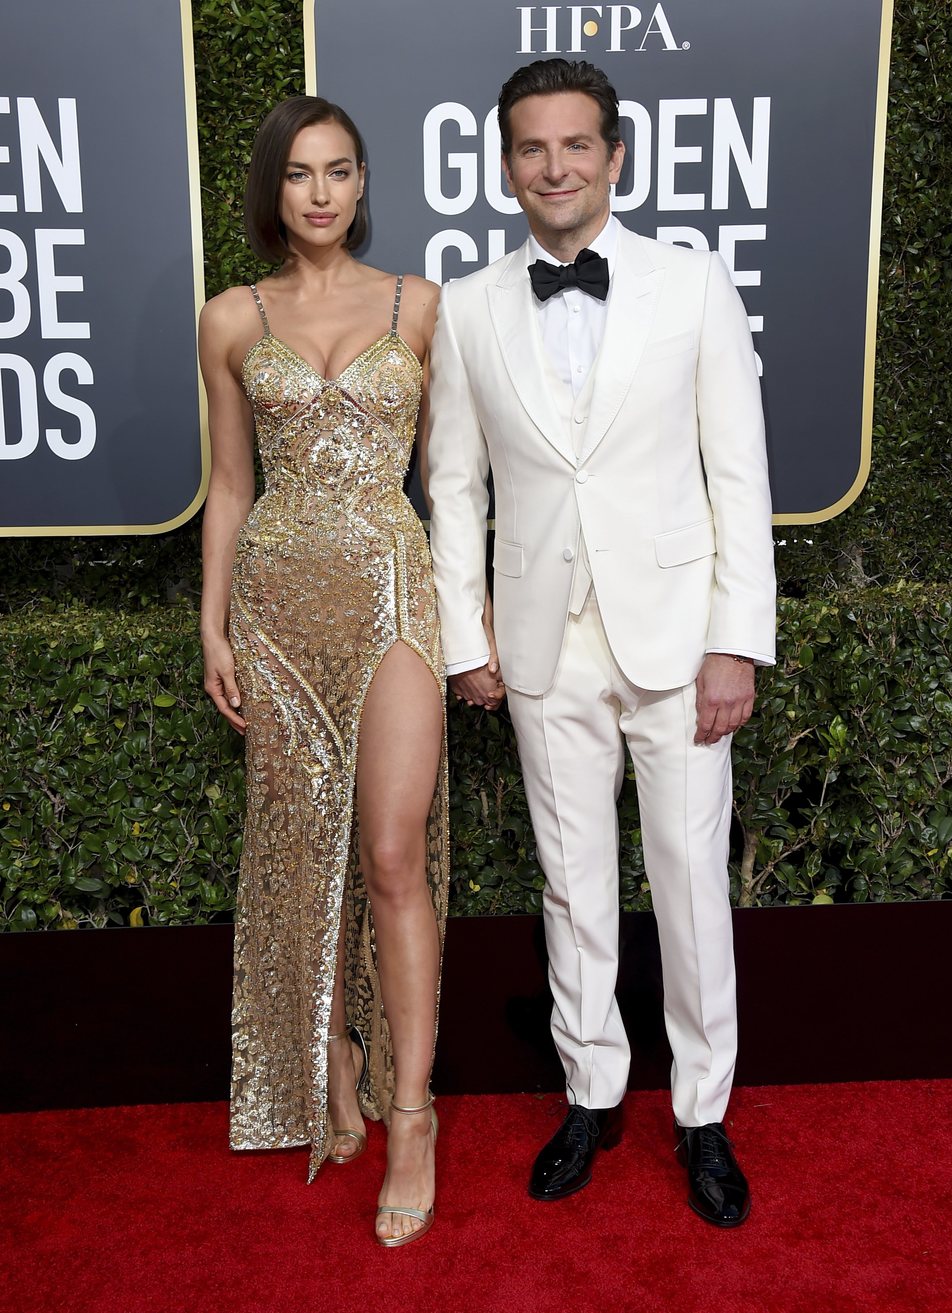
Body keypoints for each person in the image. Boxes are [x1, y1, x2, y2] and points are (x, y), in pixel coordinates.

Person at [427, 58, 776, 1228]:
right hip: (540, 642)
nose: (555, 167)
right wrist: (463, 634)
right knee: (570, 885)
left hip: (679, 643)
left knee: (689, 886)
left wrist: (738, 642)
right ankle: (590, 1090)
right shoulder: (470, 304)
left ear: (615, 157)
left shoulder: (693, 285)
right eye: (532, 148)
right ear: (507, 164)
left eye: (577, 145)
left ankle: (703, 1114)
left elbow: (739, 473)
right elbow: (454, 485)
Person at [198, 96, 446, 1247]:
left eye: (340, 170)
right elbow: (232, 487)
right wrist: (215, 625)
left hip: (395, 587)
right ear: (274, 188)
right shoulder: (231, 319)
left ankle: (412, 1113)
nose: (321, 192)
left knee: (393, 853)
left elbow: (454, 482)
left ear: (361, 182)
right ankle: (331, 1056)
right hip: (279, 602)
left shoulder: (420, 306)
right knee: (306, 849)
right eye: (300, 173)